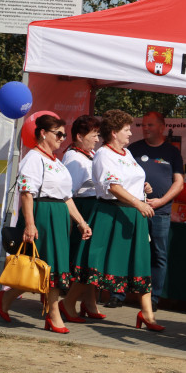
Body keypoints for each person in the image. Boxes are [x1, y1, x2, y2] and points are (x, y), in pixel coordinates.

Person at [0, 114, 92, 332]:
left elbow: (67, 197)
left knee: (44, 266)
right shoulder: (33, 159)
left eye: (64, 135)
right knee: (46, 267)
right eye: (58, 134)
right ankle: (54, 315)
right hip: (41, 215)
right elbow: (27, 193)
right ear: (42, 133)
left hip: (58, 216)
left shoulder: (57, 162)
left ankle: (6, 297)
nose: (62, 138)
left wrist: (81, 223)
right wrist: (30, 224)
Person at [70, 109, 163, 332]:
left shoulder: (126, 153)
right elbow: (113, 186)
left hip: (133, 215)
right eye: (126, 129)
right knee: (94, 265)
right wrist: (138, 202)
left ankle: (147, 314)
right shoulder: (104, 154)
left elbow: (129, 179)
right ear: (114, 132)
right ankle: (67, 303)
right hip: (112, 214)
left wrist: (143, 188)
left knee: (140, 262)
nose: (131, 133)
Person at [128, 112, 184, 307]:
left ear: (162, 127)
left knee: (158, 255)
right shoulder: (133, 150)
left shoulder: (172, 152)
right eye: (143, 125)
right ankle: (119, 295)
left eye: (150, 125)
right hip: (136, 210)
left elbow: (179, 183)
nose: (145, 128)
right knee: (130, 250)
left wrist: (161, 202)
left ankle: (153, 298)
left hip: (160, 213)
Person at [60, 115, 105, 320]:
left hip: (92, 209)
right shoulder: (74, 160)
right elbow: (67, 194)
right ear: (79, 136)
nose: (97, 139)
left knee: (92, 260)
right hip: (82, 212)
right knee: (85, 260)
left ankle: (90, 303)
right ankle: (68, 304)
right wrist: (79, 222)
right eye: (94, 135)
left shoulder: (88, 154)